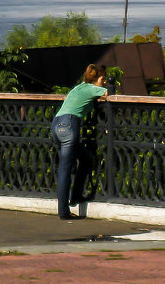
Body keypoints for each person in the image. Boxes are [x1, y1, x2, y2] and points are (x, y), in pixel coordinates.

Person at [51, 63, 108, 220]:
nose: (105, 82)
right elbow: (110, 93)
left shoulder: (79, 87)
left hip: (56, 125)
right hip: (69, 125)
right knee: (65, 169)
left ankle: (76, 197)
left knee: (85, 160)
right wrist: (104, 88)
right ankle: (64, 212)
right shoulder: (93, 89)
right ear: (98, 78)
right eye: (103, 79)